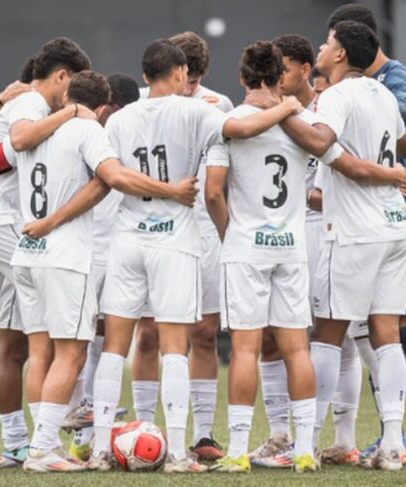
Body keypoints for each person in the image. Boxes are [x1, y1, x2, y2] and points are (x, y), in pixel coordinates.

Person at [0, 69, 199, 472]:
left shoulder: (34, 131)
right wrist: (172, 191)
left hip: (27, 253)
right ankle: (41, 451)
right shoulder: (88, 132)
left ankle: (44, 444)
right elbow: (113, 178)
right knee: (71, 355)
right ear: (103, 107)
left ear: (69, 95)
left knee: (40, 353)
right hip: (64, 255)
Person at [89, 38, 301, 474]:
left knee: (115, 347)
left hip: (128, 237)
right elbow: (242, 129)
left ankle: (98, 449)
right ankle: (180, 453)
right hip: (174, 239)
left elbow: (111, 175)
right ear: (181, 74)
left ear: (146, 75)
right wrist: (287, 106)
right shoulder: (196, 110)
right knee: (173, 346)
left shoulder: (120, 119)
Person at [0, 37, 93, 469]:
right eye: (73, 87)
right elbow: (16, 143)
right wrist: (70, 112)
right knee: (59, 313)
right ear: (62, 77)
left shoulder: (15, 100)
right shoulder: (34, 106)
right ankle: (57, 426)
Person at [272, 20, 406, 470]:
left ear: (340, 55)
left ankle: (307, 444)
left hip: (354, 229)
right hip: (394, 224)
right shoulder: (383, 94)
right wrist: (378, 156)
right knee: (386, 334)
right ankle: (393, 442)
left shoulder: (335, 96)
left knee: (327, 333)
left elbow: (320, 141)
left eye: (328, 43)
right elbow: (403, 144)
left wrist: (281, 111)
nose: (321, 46)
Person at [326, 3, 406, 464]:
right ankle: (389, 432)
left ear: (350, 41)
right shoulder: (353, 86)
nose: (328, 48)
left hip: (397, 214)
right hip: (364, 215)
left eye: (331, 40)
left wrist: (399, 175)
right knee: (373, 330)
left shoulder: (394, 81)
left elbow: (399, 126)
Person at [206, 40, 325, 474]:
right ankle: (306, 449)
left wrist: (229, 234)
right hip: (291, 246)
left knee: (244, 349)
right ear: (280, 77)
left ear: (241, 78)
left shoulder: (228, 120)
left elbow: (213, 192)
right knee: (297, 349)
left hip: (245, 247)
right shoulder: (305, 122)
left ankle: (237, 451)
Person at [131, 31, 234, 461]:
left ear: (198, 76)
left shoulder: (219, 105)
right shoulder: (139, 103)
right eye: (182, 79)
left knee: (205, 333)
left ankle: (204, 434)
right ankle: (142, 428)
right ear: (170, 72)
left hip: (204, 231)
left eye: (194, 82)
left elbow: (218, 179)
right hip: (155, 229)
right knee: (150, 331)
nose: (187, 89)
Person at [62, 73, 141, 461]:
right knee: (77, 339)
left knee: (106, 336)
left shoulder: (127, 132)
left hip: (119, 246)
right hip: (86, 248)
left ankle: (93, 426)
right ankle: (73, 423)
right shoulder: (84, 133)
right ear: (108, 108)